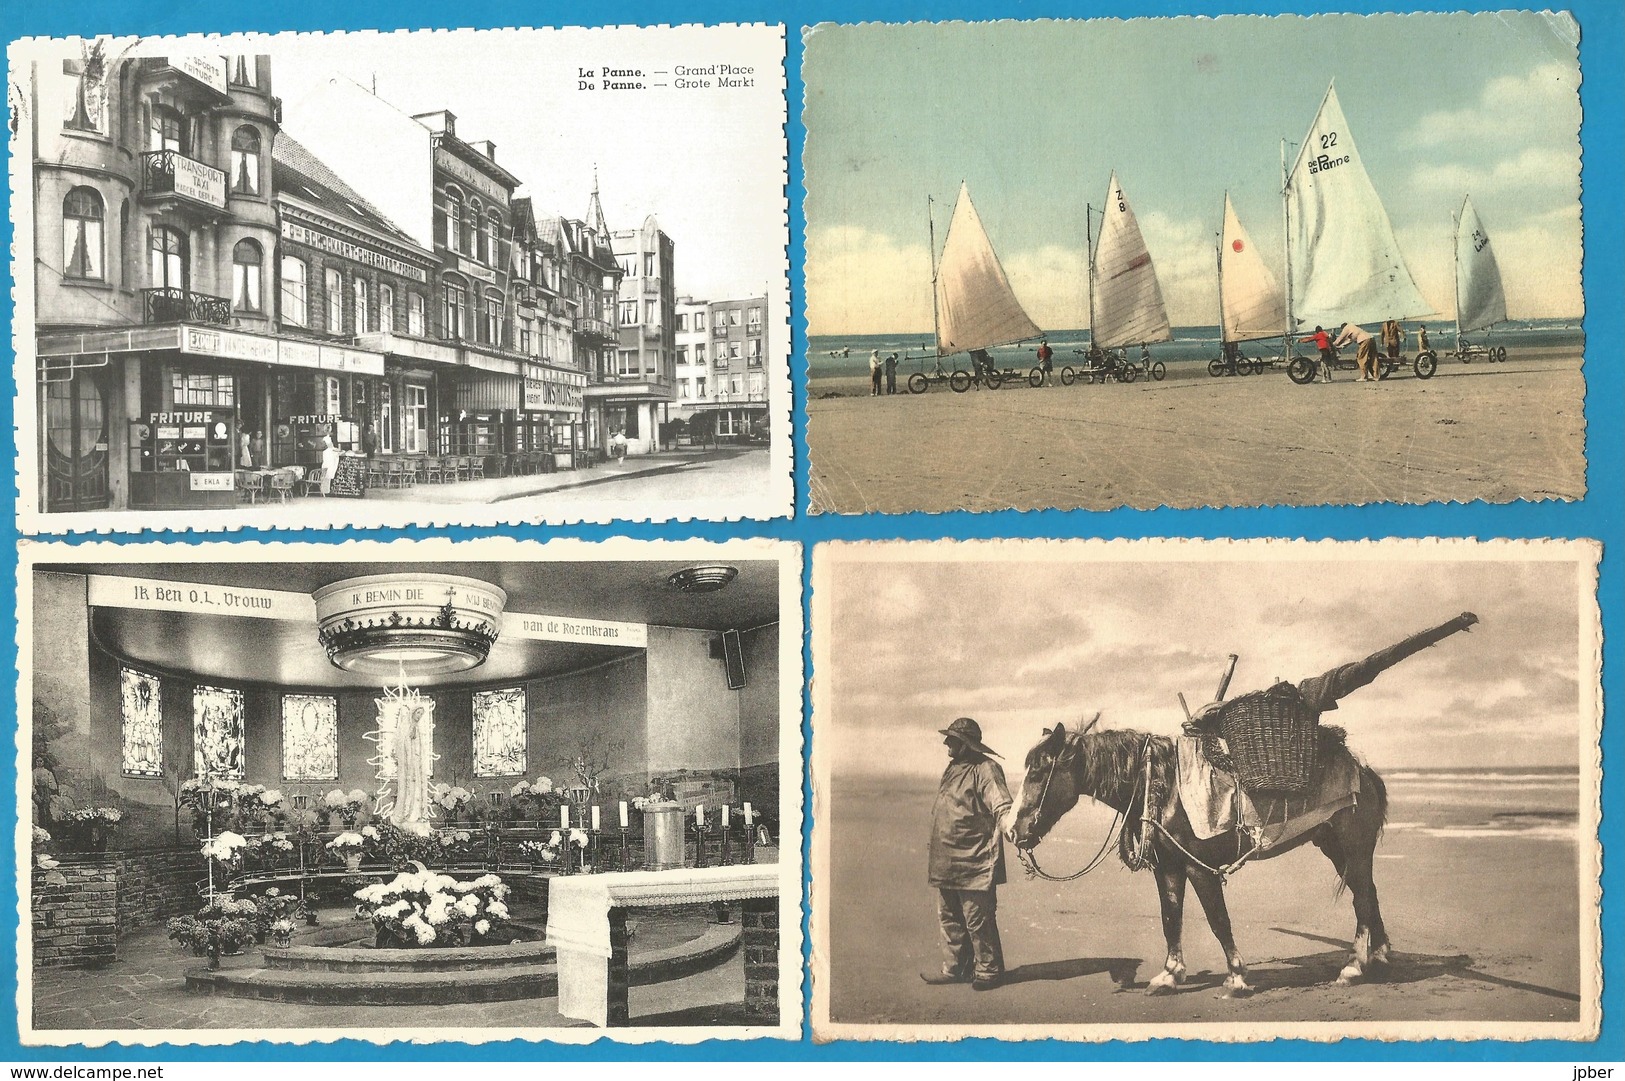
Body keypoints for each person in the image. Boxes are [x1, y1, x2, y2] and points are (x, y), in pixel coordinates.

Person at [1192, 613, 1479, 734]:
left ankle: (1452, 624)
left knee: (1371, 665)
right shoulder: (1237, 716)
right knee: (1372, 665)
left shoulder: (1307, 694)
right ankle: (1452, 625)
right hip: (1312, 691)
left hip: (1312, 691)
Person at [923, 717, 1014, 992]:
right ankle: (956, 968)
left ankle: (989, 971)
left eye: (952, 739)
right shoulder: (953, 768)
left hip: (975, 858)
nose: (946, 743)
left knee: (977, 918)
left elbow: (1002, 805)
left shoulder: (987, 769)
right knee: (949, 916)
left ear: (965, 744)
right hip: (946, 858)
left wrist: (1012, 827)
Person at [317, 429, 340, 495]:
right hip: (328, 461)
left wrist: (336, 451)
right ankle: (324, 490)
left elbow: (332, 448)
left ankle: (326, 490)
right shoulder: (326, 442)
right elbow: (332, 448)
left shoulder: (327, 449)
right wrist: (338, 451)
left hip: (329, 461)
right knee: (326, 475)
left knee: (328, 475)